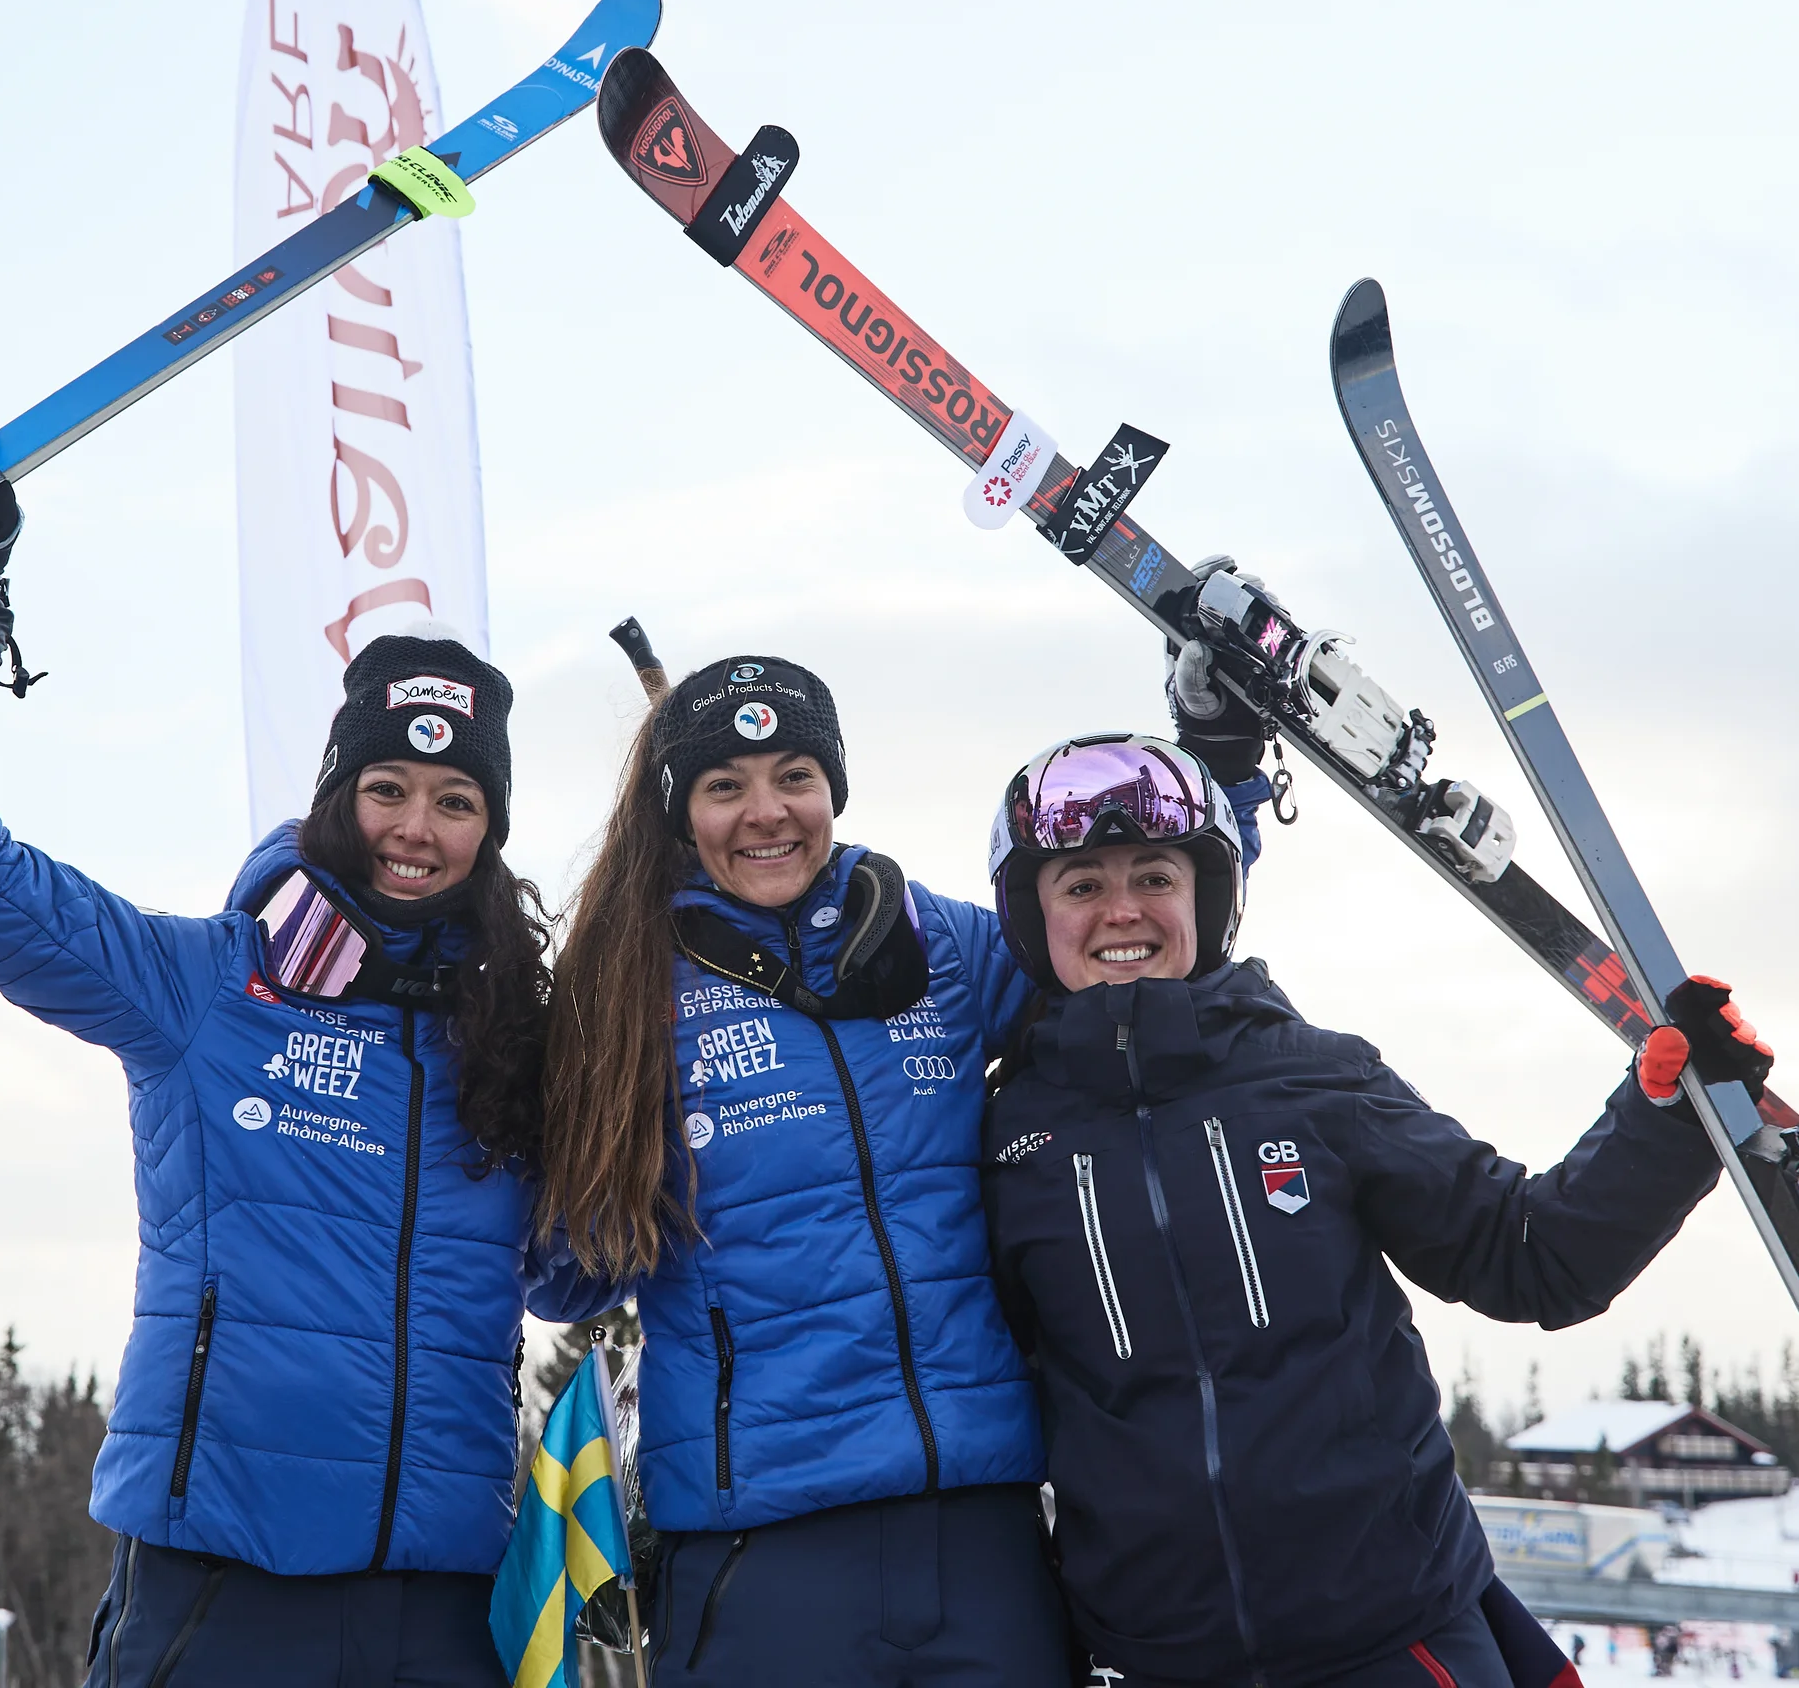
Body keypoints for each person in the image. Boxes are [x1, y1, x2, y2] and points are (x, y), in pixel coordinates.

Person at [0, 415, 552, 1687]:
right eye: (388, 789)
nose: (418, 827)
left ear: (487, 836)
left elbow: (570, 1277)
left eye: (458, 803)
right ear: (337, 801)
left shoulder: (513, 1046)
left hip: (446, 1595)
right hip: (223, 1579)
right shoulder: (202, 989)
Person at [981, 694, 1774, 1688]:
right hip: (1157, 1659)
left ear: (1209, 898)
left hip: (1391, 1638)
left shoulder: (1314, 1080)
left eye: (1155, 876)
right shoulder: (1009, 1137)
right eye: (1081, 884)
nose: (1123, 909)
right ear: (1032, 916)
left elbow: (1532, 1258)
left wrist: (1665, 1122)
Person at [536, 654, 1271, 1686]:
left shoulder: (938, 944)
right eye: (724, 786)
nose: (766, 813)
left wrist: (1224, 770)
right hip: (762, 1545)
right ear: (678, 812)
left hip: (981, 1532)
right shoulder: (628, 995)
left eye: (794, 775)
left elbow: (1136, 949)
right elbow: (563, 1274)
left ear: (834, 786)